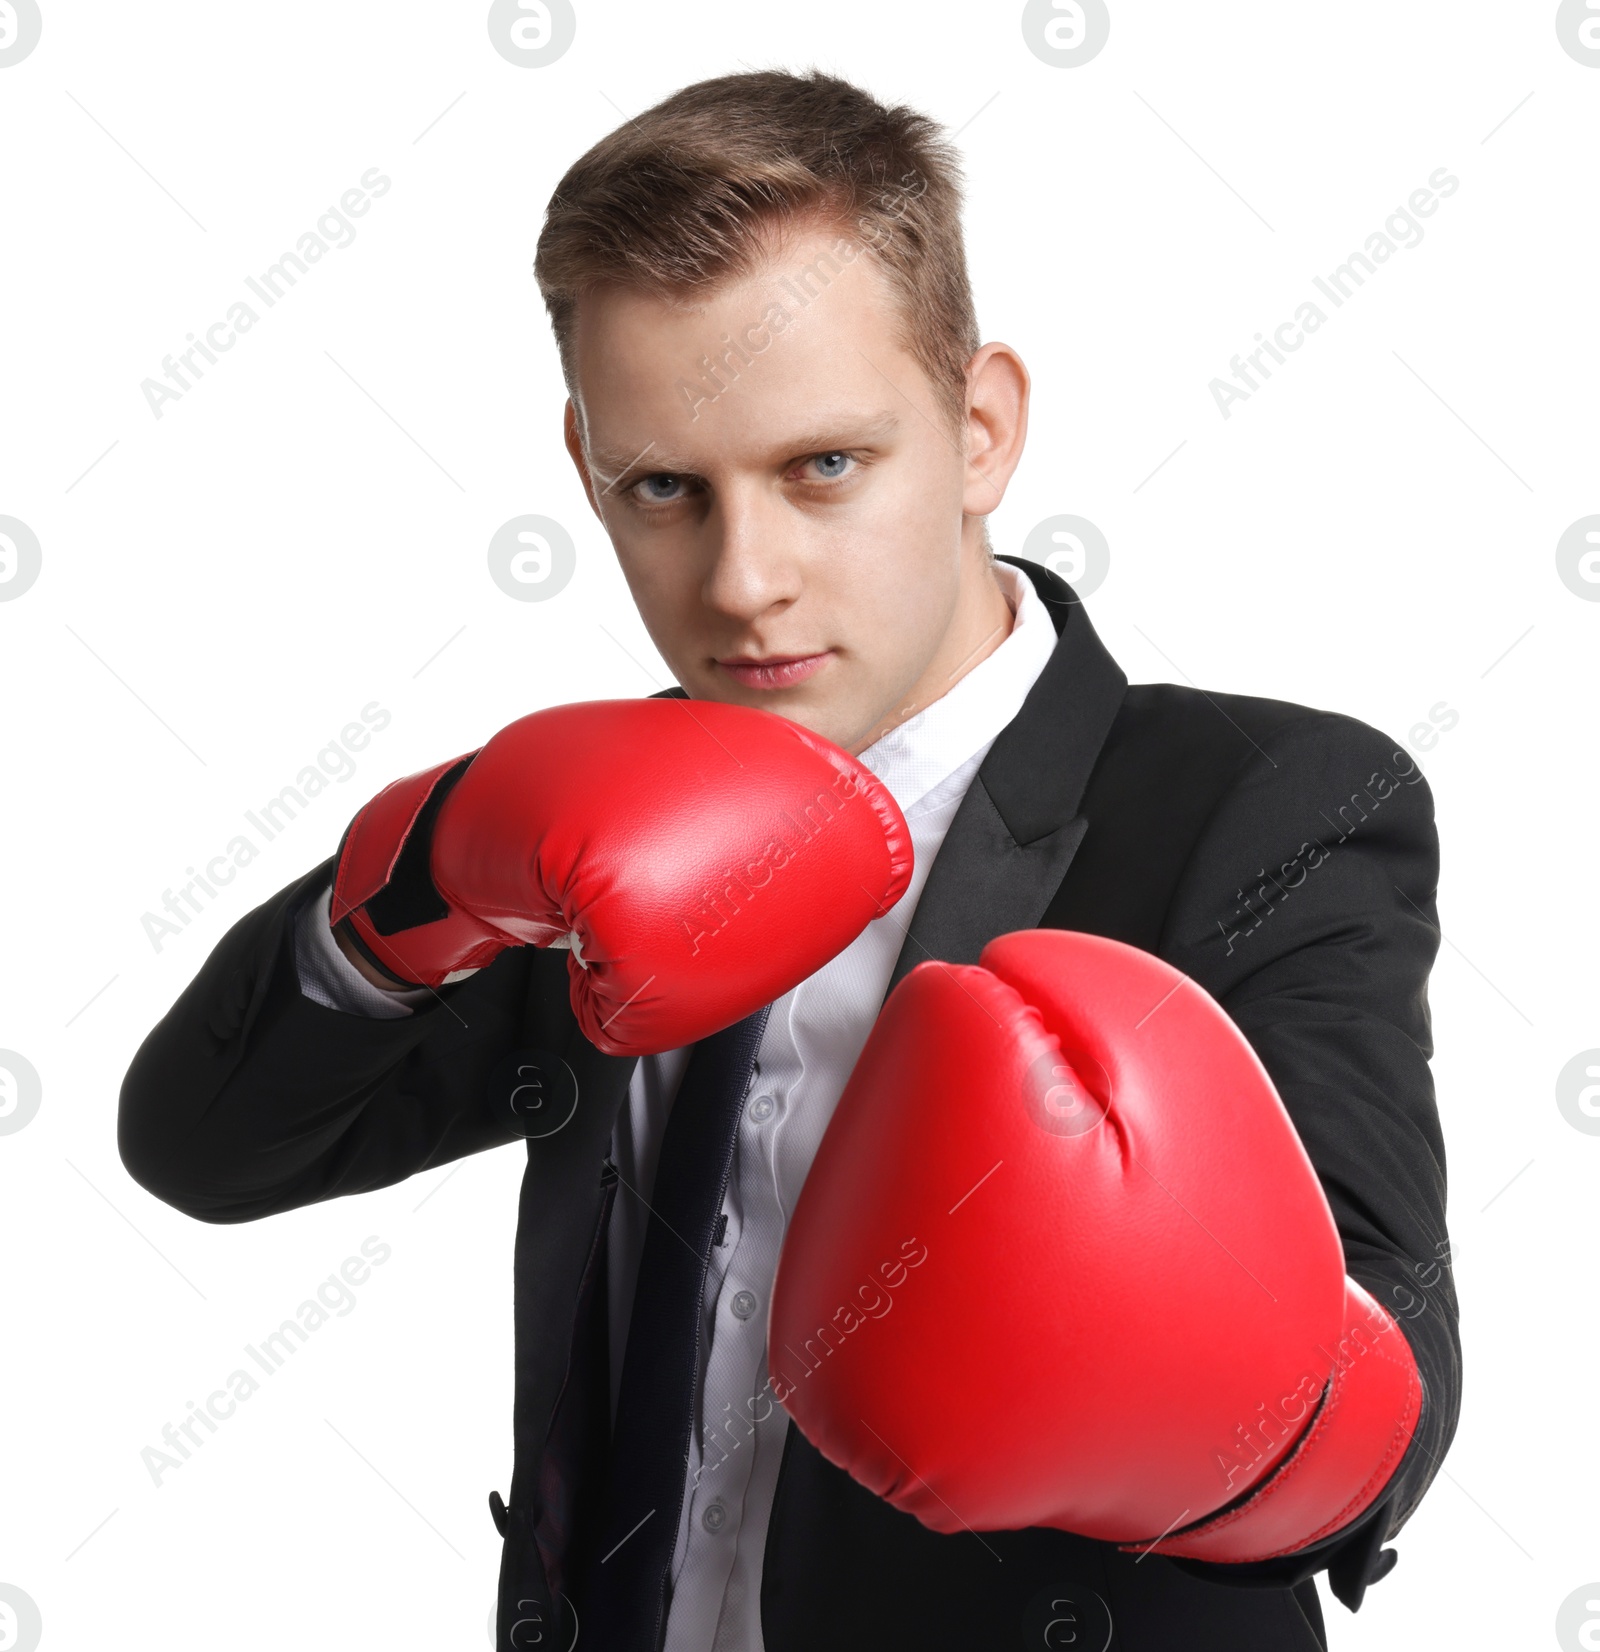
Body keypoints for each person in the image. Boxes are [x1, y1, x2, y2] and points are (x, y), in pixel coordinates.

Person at [118, 68, 1459, 1652]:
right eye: (666, 489)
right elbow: (211, 1147)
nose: (743, 582)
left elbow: (1395, 1398)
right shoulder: (590, 832)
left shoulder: (1263, 804)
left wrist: (1190, 1369)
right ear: (587, 470)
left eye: (825, 467)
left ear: (979, 431)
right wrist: (410, 884)